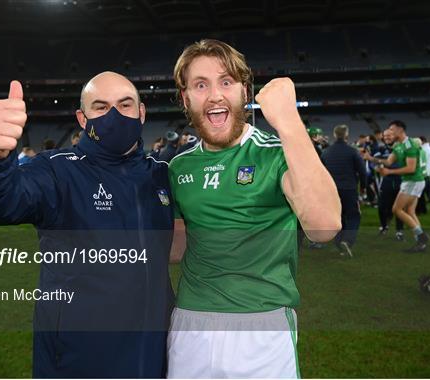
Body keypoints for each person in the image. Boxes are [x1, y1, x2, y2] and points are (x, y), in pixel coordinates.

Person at [0, 72, 174, 378]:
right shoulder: (57, 171)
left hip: (154, 356)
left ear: (141, 113)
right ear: (82, 119)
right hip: (80, 358)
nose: (114, 115)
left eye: (125, 105)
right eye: (100, 107)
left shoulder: (161, 174)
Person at [167, 39, 341, 378]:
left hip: (262, 325)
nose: (215, 94)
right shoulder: (178, 167)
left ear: (244, 91)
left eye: (226, 82)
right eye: (201, 84)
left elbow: (325, 226)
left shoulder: (276, 153)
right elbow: (177, 246)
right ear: (186, 98)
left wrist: (288, 120)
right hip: (190, 321)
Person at [365, 120, 430, 252]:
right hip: (411, 181)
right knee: (409, 212)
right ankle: (420, 241)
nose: (390, 132)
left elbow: (411, 168)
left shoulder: (409, 145)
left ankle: (421, 236)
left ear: (400, 130)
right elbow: (389, 161)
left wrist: (389, 172)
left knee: (396, 210)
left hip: (413, 180)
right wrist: (371, 158)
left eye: (392, 130)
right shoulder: (398, 145)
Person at [321, 125, 367, 257]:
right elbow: (363, 172)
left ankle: (339, 243)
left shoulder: (327, 152)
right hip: (349, 189)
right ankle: (347, 240)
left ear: (335, 135)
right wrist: (363, 188)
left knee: (338, 217)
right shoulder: (353, 152)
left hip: (332, 191)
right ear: (346, 136)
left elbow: (320, 173)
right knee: (353, 216)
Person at [373, 128, 404, 240]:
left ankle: (399, 231)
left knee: (399, 208)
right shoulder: (380, 149)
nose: (387, 138)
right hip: (386, 182)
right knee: (382, 207)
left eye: (389, 135)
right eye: (385, 136)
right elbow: (374, 163)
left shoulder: (402, 148)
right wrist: (376, 167)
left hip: (401, 181)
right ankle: (384, 226)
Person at [420, 136, 430, 203]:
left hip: (424, 170)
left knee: (426, 186)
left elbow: (422, 160)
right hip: (427, 170)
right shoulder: (427, 148)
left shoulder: (425, 149)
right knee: (428, 186)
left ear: (422, 141)